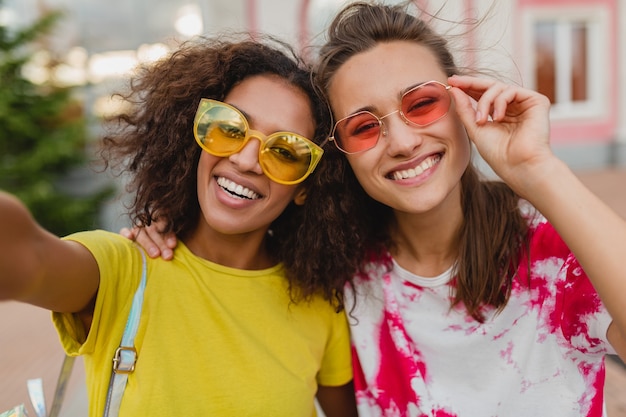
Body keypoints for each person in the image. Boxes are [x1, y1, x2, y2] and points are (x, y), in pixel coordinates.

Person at [133, 2, 626, 416]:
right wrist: (168, 225)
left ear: (462, 103)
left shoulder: (549, 249)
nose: (404, 141)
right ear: (339, 154)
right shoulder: (336, 269)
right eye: (364, 127)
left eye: (422, 104)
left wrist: (538, 170)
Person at [0, 34, 357, 417]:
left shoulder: (318, 302)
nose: (247, 161)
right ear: (197, 137)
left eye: (286, 151)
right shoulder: (123, 269)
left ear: (306, 187)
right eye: (230, 128)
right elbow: (27, 259)